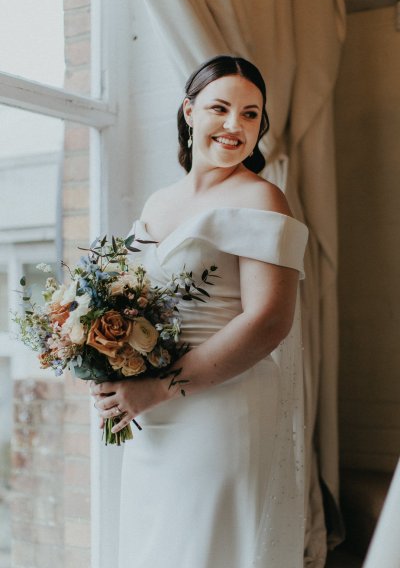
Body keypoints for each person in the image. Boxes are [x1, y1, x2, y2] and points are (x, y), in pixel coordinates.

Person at [91, 55, 309, 568]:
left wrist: (157, 387)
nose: (236, 125)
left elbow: (268, 322)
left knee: (204, 550)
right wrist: (101, 356)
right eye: (221, 107)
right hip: (150, 416)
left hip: (220, 409)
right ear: (189, 112)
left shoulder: (262, 199)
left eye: (251, 114)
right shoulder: (157, 203)